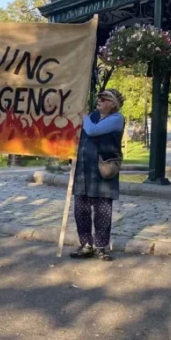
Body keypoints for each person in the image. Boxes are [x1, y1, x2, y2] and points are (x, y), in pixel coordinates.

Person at [70, 89, 126, 262]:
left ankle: (101, 247)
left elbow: (93, 131)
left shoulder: (116, 119)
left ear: (113, 104)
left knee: (102, 211)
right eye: (99, 98)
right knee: (81, 210)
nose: (99, 100)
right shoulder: (92, 116)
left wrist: (83, 115)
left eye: (105, 98)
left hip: (102, 171)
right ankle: (86, 245)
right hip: (83, 170)